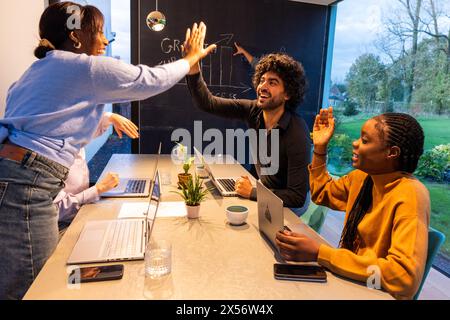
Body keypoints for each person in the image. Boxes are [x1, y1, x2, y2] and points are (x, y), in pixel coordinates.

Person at [0, 1, 215, 299]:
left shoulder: (36, 71)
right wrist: (189, 60)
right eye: (99, 32)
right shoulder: (83, 67)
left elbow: (52, 124)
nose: (104, 40)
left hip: (22, 180)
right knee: (34, 289)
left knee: (41, 279)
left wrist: (106, 117)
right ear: (76, 37)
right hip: (28, 187)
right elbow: (147, 79)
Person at [276, 108, 430, 300]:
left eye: (365, 141)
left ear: (392, 153)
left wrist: (321, 254)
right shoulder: (363, 178)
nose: (355, 143)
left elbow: (403, 277)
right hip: (350, 282)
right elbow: (322, 193)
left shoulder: (410, 194)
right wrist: (320, 148)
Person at [185, 51, 311, 209]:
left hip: (290, 205)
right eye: (262, 80)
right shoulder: (254, 110)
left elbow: (296, 197)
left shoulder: (297, 133)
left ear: (287, 94)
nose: (263, 87)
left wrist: (252, 192)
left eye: (272, 83)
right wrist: (192, 65)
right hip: (264, 189)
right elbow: (207, 103)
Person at [55, 112, 138, 232]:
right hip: (63, 226)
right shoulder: (48, 154)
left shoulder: (68, 135)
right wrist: (98, 189)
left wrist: (111, 118)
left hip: (81, 209)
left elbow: (87, 130)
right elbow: (56, 210)